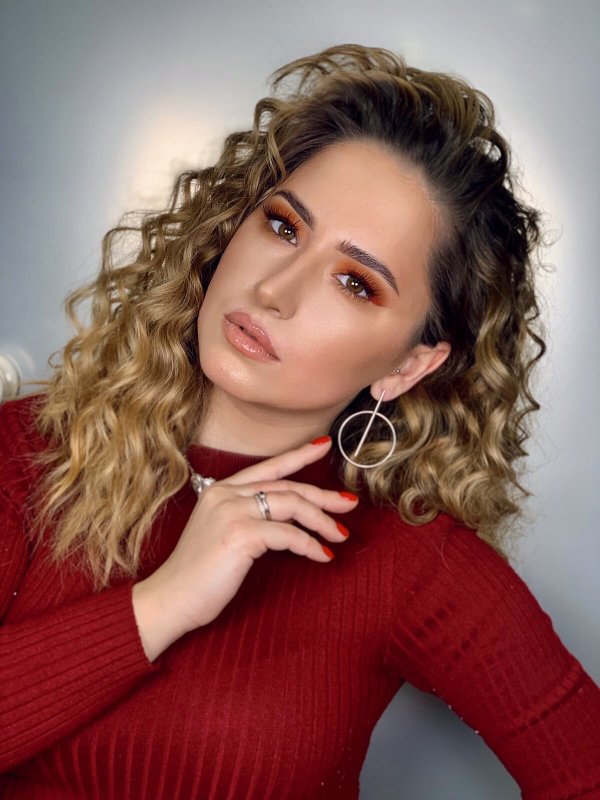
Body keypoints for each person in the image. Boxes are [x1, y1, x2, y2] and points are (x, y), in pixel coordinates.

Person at [1, 42, 599, 799]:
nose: (275, 290)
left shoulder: (408, 565)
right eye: (284, 227)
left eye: (356, 283)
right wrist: (163, 602)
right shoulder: (28, 452)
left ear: (408, 367)